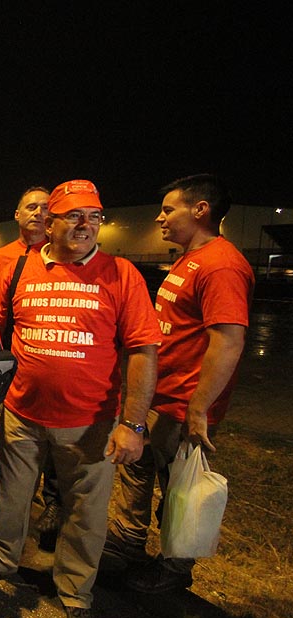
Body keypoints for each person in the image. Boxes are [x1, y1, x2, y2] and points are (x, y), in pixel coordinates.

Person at [0, 180, 162, 618]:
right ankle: (2, 561)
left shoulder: (121, 274)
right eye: (74, 216)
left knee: (86, 514)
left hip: (91, 422)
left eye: (94, 217)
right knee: (12, 500)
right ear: (50, 221)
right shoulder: (20, 269)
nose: (85, 225)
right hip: (22, 415)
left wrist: (132, 424)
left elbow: (142, 350)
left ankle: (75, 589)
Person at [105, 174, 254, 594]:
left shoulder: (221, 264)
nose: (161, 217)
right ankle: (126, 547)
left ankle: (173, 573)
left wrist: (199, 407)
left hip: (181, 404)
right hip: (157, 397)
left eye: (170, 209)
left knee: (178, 492)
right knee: (136, 472)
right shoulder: (190, 257)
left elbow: (229, 342)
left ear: (201, 210)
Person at [0, 186, 63, 545]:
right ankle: (13, 515)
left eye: (46, 208)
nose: (38, 213)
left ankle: (54, 504)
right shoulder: (0, 258)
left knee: (56, 446)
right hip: (11, 361)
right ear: (17, 214)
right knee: (16, 444)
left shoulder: (65, 255)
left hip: (49, 360)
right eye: (31, 206)